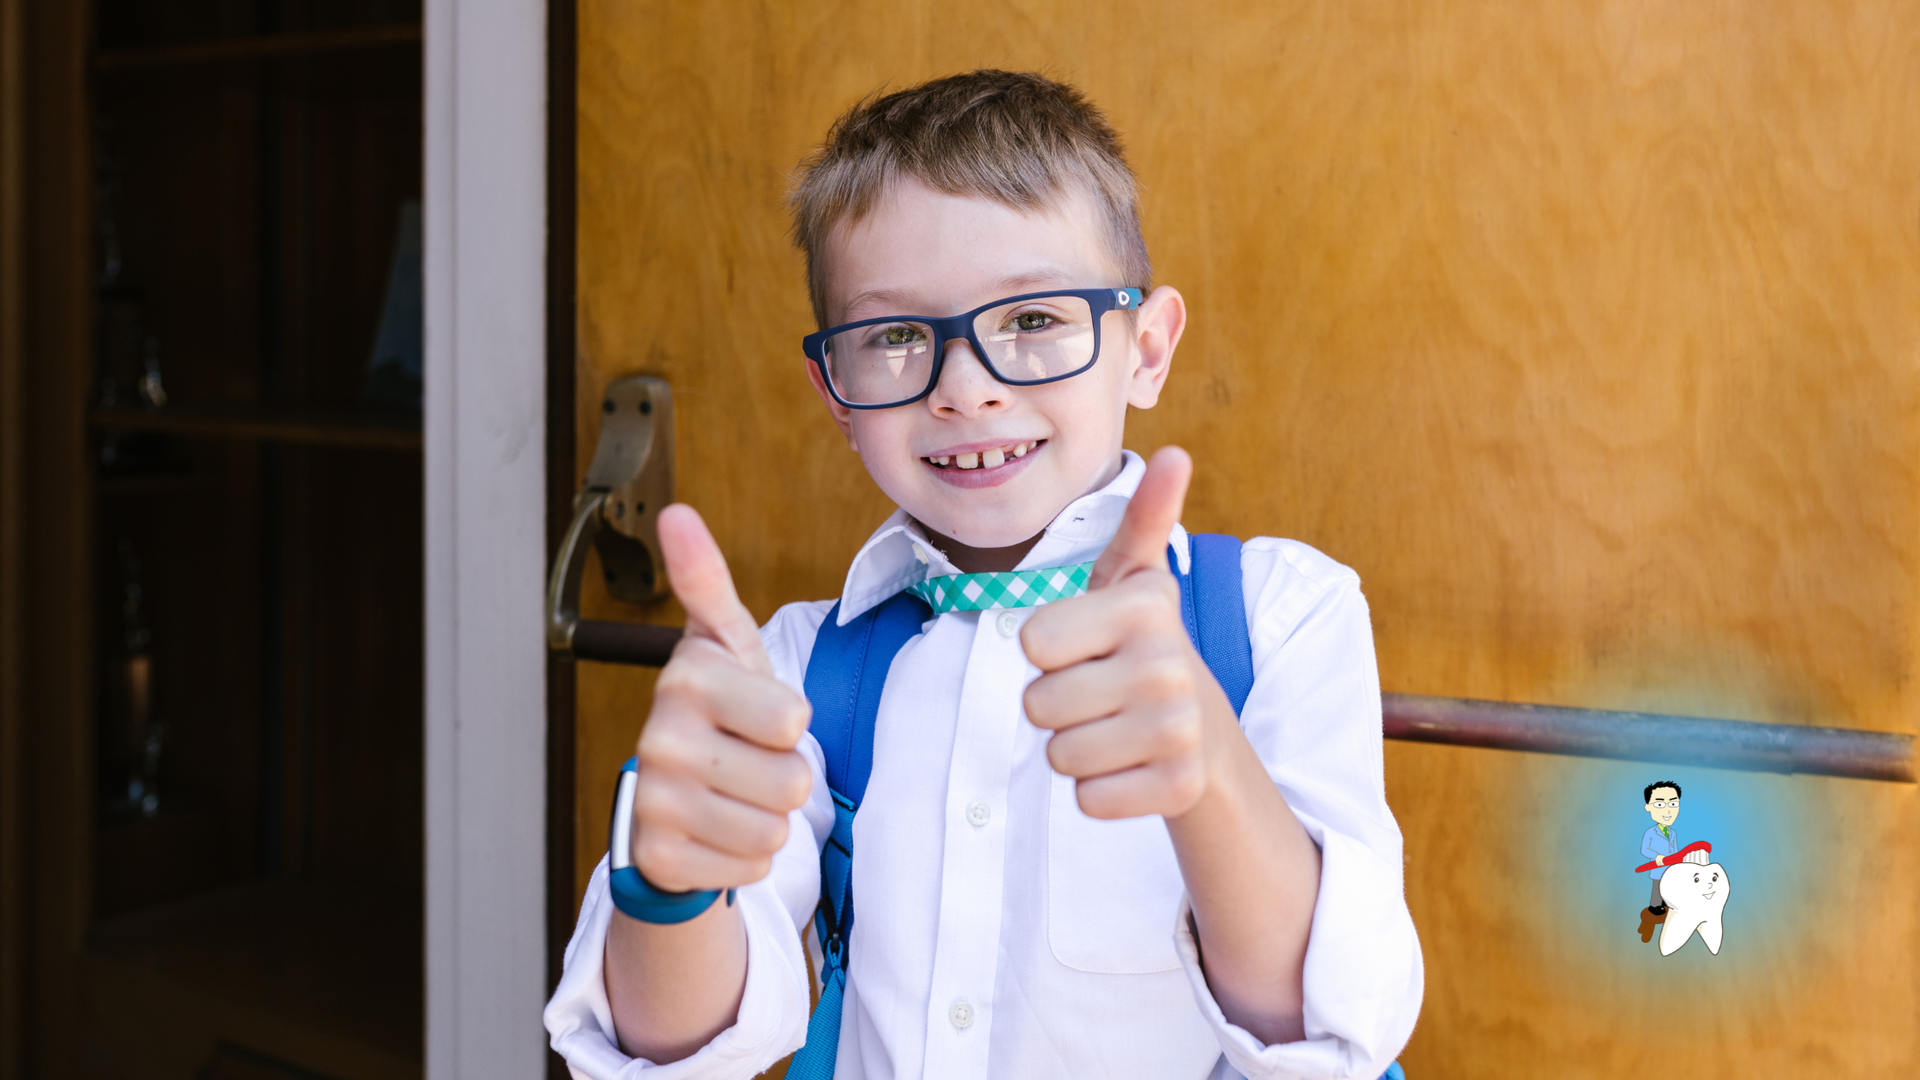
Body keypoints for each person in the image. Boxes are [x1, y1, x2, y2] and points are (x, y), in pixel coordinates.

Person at [545, 70, 1423, 1079]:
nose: (966, 389)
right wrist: (671, 885)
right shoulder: (793, 671)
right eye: (894, 337)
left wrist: (1210, 773)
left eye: (1035, 321)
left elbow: (1326, 1029)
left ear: (1146, 348)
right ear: (835, 391)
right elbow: (674, 1050)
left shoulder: (1279, 618)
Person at [1637, 781, 1683, 940]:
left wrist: (1678, 862)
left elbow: (1675, 850)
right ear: (1648, 807)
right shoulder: (1650, 832)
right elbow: (1644, 849)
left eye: (1673, 803)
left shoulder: (1673, 833)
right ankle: (1655, 908)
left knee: (1669, 890)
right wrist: (1656, 857)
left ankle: (1667, 906)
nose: (1668, 810)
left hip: (1671, 869)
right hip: (1658, 869)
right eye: (1659, 804)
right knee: (1657, 890)